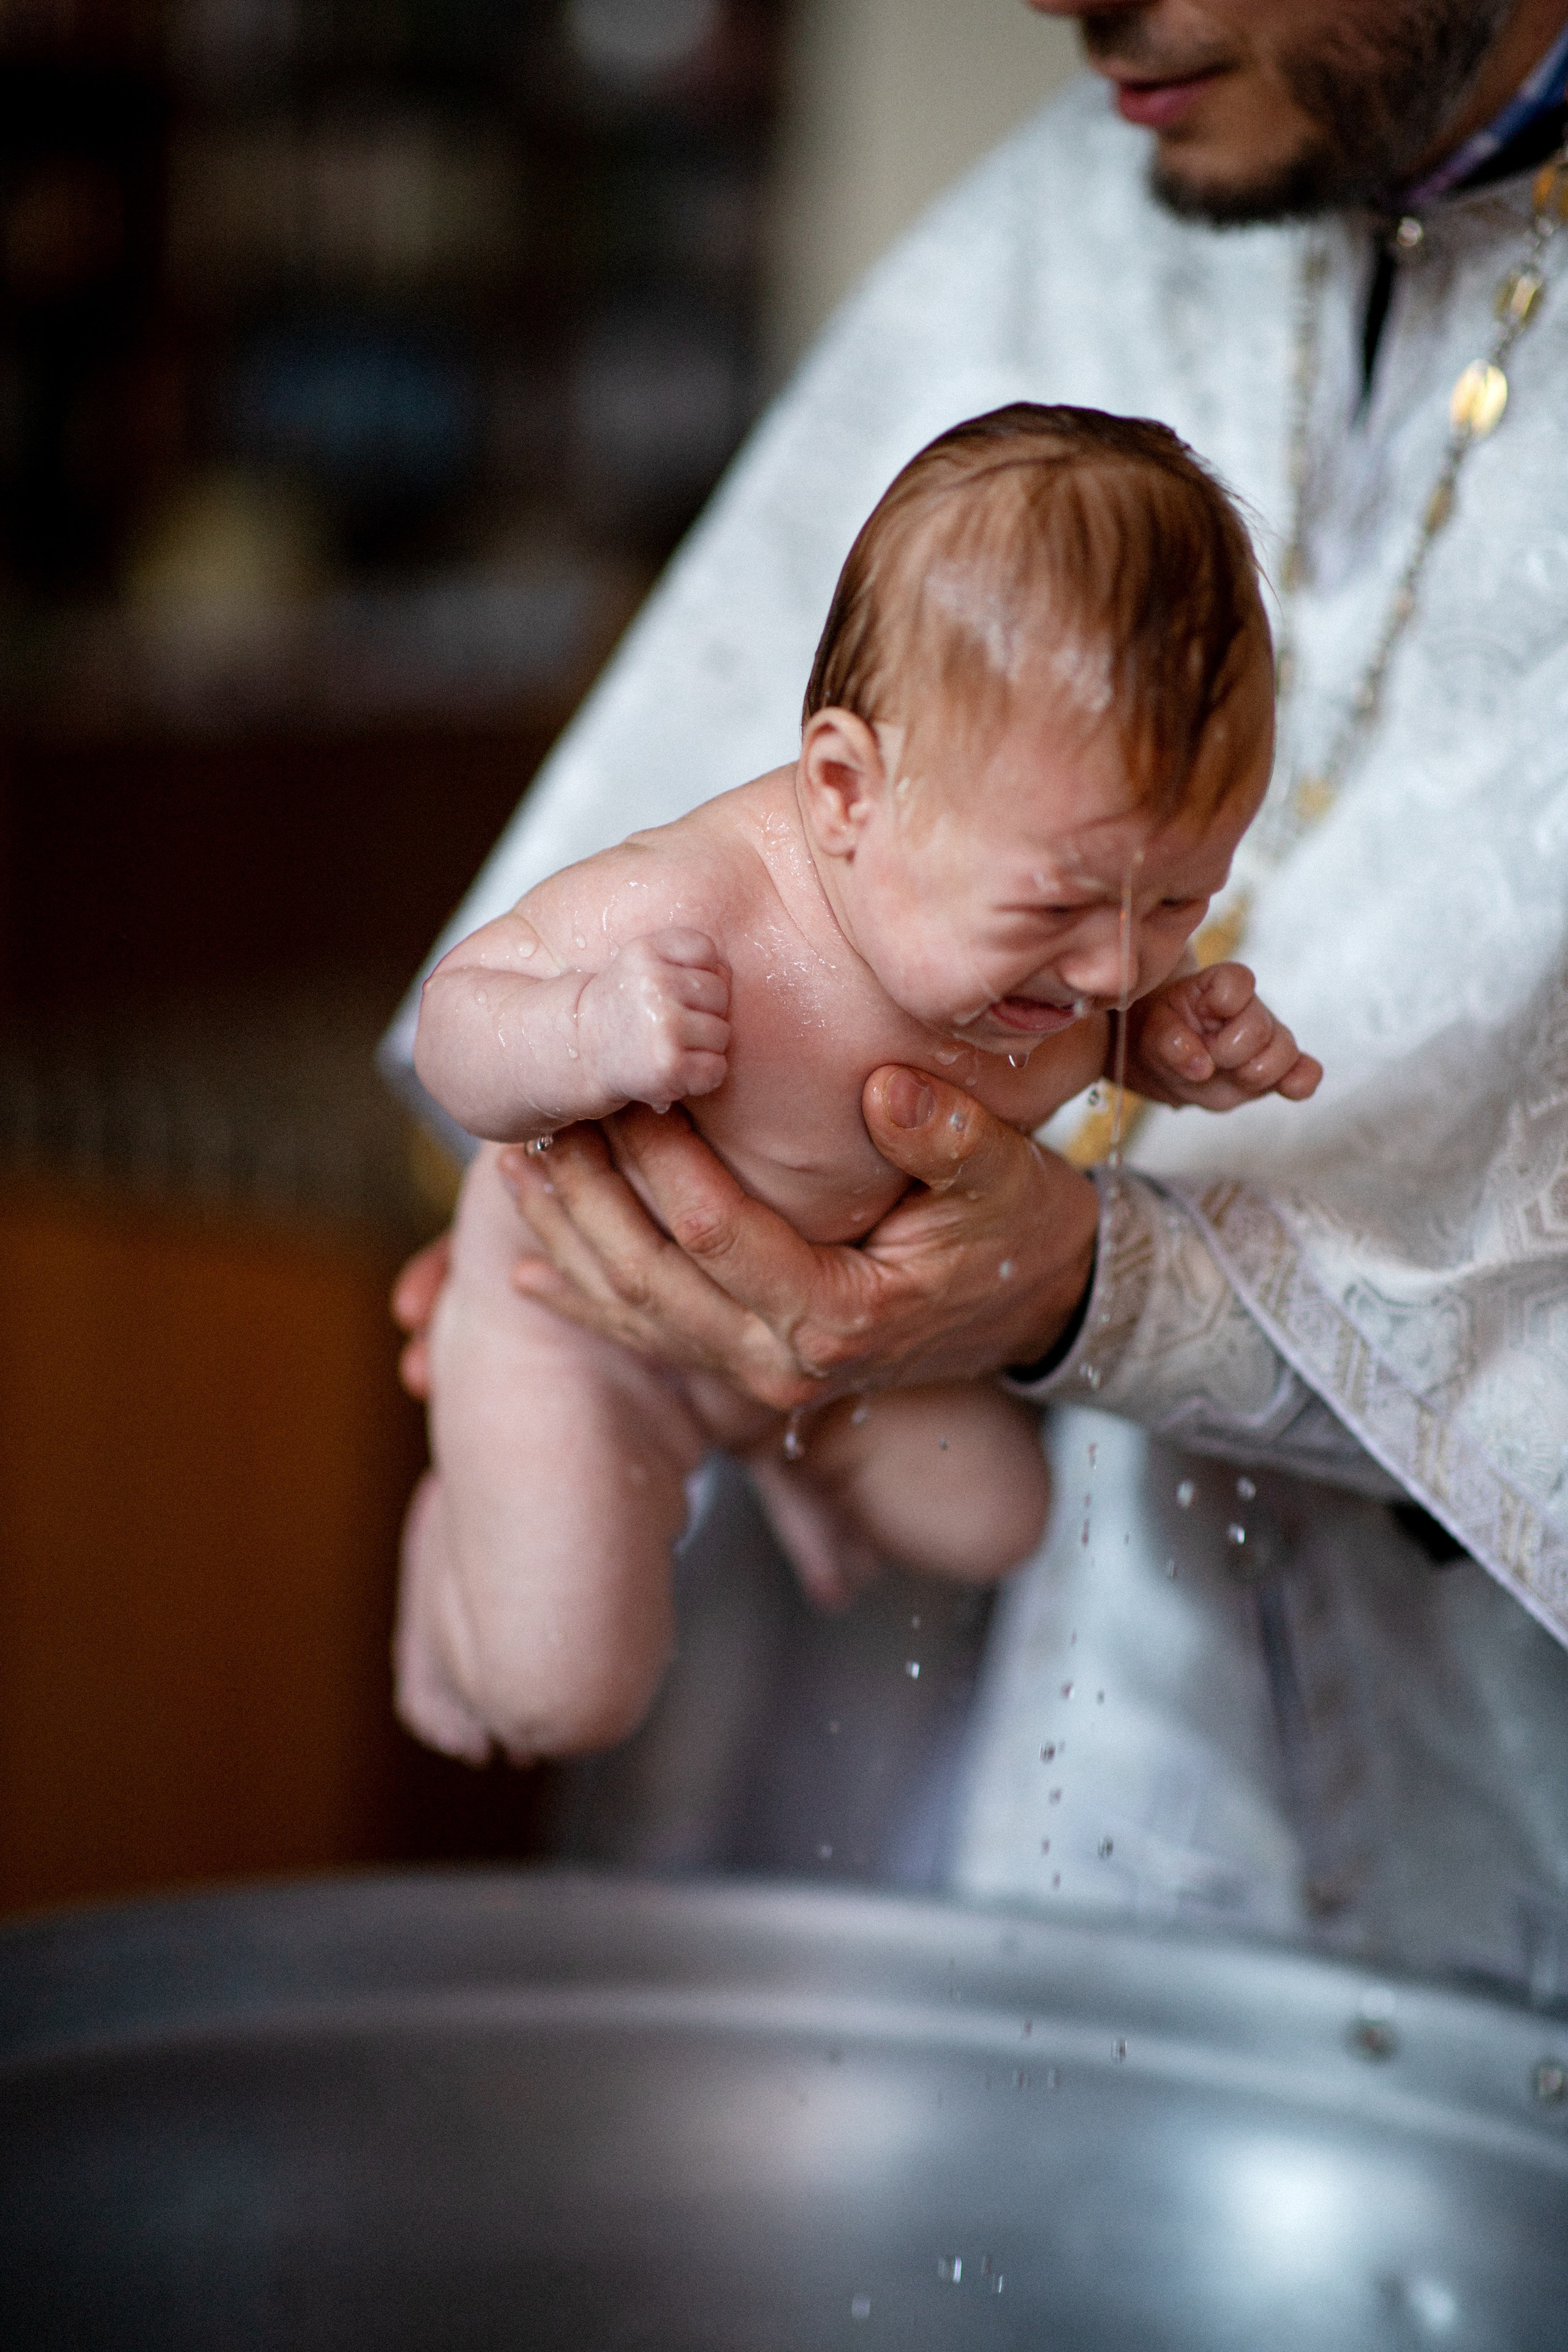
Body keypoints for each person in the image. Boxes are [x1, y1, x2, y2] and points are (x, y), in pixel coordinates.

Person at [383, 2, 1568, 1991]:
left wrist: (1117, 1280)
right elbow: (553, 965)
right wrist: (576, 1261)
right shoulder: (1083, 202)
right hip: (926, 1721)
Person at [396, 407, 1318, 1764]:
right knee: (562, 1696)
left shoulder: (1069, 959)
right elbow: (453, 1024)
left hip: (831, 1359)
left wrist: (1171, 1055)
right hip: (583, 1327)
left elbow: (1110, 1011)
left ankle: (780, 1446)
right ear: (842, 790)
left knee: (995, 1521)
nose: (1117, 963)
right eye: (1059, 905)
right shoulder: (703, 906)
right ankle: (447, 1564)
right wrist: (587, 1029)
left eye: (1182, 900)